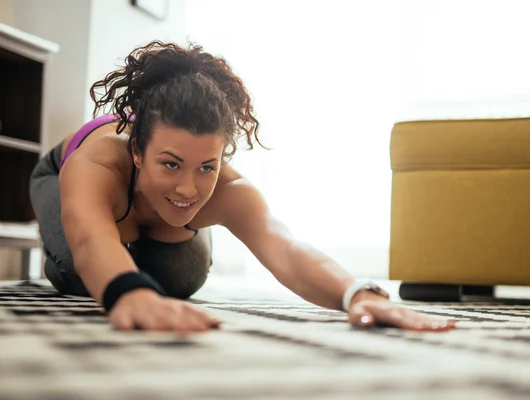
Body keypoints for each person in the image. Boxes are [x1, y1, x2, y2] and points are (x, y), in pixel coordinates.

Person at [29, 40, 455, 334]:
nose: (188, 188)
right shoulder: (99, 162)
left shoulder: (231, 189)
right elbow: (88, 235)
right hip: (62, 178)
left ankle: (139, 249)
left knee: (183, 278)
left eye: (206, 167)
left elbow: (284, 248)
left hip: (149, 218)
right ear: (138, 152)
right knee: (81, 271)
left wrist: (357, 293)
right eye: (171, 163)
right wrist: (129, 292)